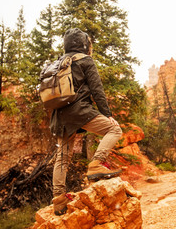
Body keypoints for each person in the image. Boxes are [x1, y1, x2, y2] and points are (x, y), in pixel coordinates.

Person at [50, 28, 123, 215]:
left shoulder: (59, 62)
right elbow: (97, 90)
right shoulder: (85, 61)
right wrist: (107, 114)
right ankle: (96, 164)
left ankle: (59, 201)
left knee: (63, 158)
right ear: (83, 44)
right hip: (80, 111)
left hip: (60, 114)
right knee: (114, 130)